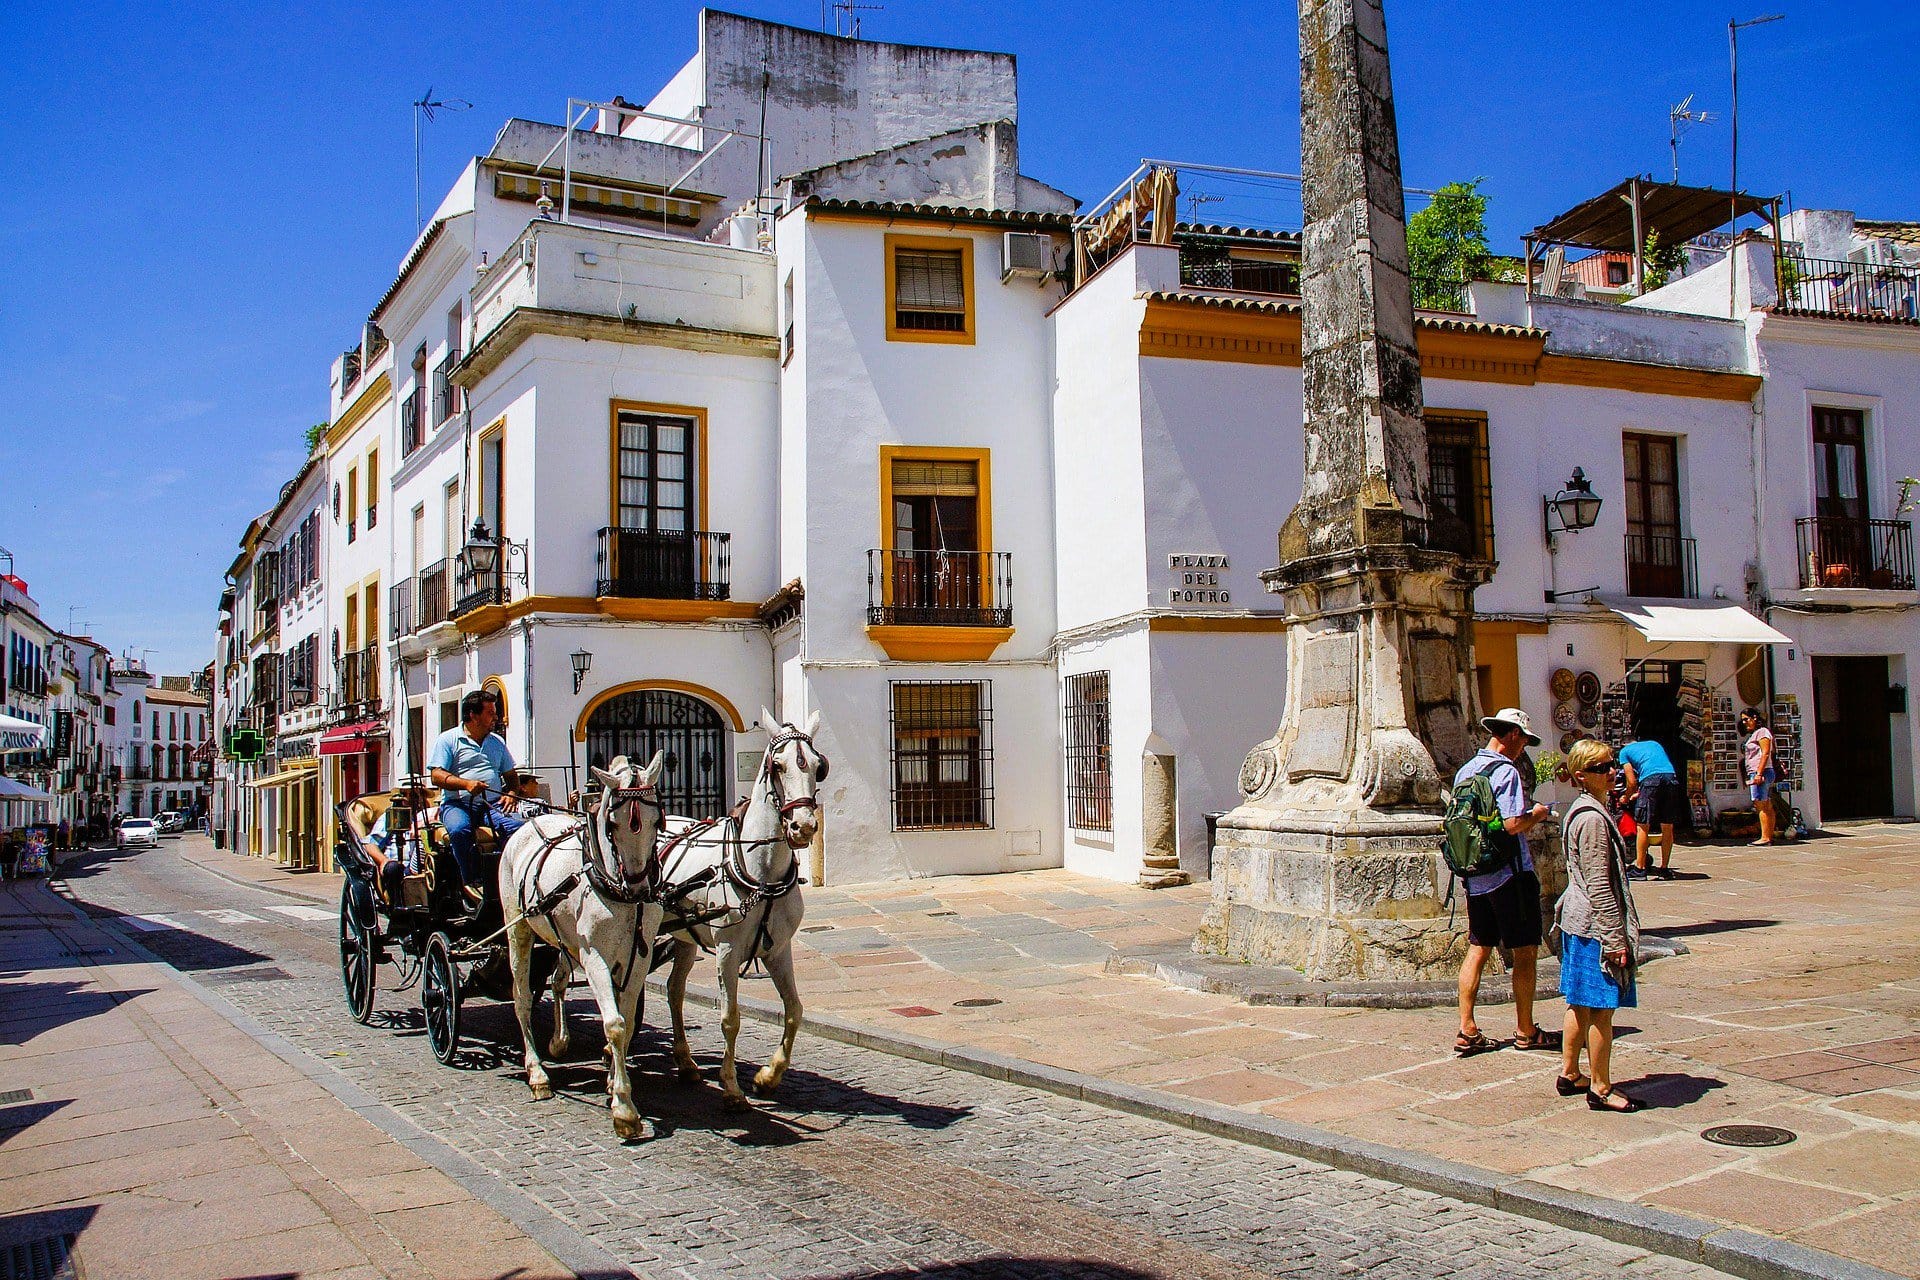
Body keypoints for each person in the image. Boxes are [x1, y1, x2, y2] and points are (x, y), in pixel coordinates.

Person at [1454, 708, 1561, 1057]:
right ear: (1513, 735)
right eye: (1525, 741)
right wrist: (1539, 814)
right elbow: (1514, 824)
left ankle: (1467, 1027)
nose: (1524, 749)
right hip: (1509, 875)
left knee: (1478, 947)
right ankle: (1526, 1029)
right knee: (1525, 950)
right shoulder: (1506, 772)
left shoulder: (1465, 771)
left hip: (1476, 876)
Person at [1555, 737, 1644, 1112]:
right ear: (1580, 776)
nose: (1612, 772)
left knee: (1578, 1002)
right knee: (1601, 1010)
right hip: (1593, 926)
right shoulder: (1591, 819)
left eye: (1612, 764)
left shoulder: (1585, 809)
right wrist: (1615, 939)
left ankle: (1570, 1072)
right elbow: (1600, 886)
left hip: (1579, 921)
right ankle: (1601, 1087)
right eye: (1601, 768)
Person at [428, 691, 526, 900]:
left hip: (489, 804)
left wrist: (510, 793)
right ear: (473, 715)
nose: (496, 717)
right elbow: (436, 775)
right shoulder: (449, 740)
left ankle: (509, 876)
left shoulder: (497, 742)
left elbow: (511, 776)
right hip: (457, 804)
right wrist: (465, 784)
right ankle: (471, 881)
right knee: (460, 830)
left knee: (518, 829)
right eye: (490, 713)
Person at [1618, 724, 1683, 880]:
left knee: (1642, 825)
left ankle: (1639, 869)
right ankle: (1664, 868)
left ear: (1623, 745)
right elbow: (1658, 771)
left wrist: (1626, 798)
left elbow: (1632, 782)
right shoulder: (1654, 744)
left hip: (1650, 781)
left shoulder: (1624, 752)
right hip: (1671, 778)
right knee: (1667, 826)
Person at [1740, 708, 1777, 846]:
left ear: (1754, 717)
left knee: (1760, 804)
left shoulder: (1762, 732)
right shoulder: (1755, 734)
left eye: (1746, 719)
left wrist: (1759, 773)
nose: (1744, 722)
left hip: (1760, 771)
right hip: (1757, 771)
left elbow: (1765, 752)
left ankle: (1765, 837)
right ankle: (1768, 835)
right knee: (1766, 804)